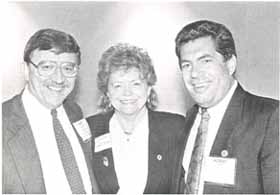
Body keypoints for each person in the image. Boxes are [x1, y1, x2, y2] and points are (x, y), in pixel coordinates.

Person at [173, 20, 279, 194]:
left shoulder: (270, 118)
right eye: (186, 65)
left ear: (230, 64)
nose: (194, 74)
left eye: (205, 61)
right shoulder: (190, 118)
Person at [2, 28, 99, 194]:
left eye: (68, 68)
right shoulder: (4, 123)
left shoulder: (75, 112)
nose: (59, 79)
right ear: (26, 70)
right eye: (47, 67)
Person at [86, 43, 185, 194]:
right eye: (118, 85)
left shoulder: (175, 127)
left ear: (149, 88)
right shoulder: (90, 130)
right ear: (107, 91)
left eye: (136, 84)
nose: (127, 93)